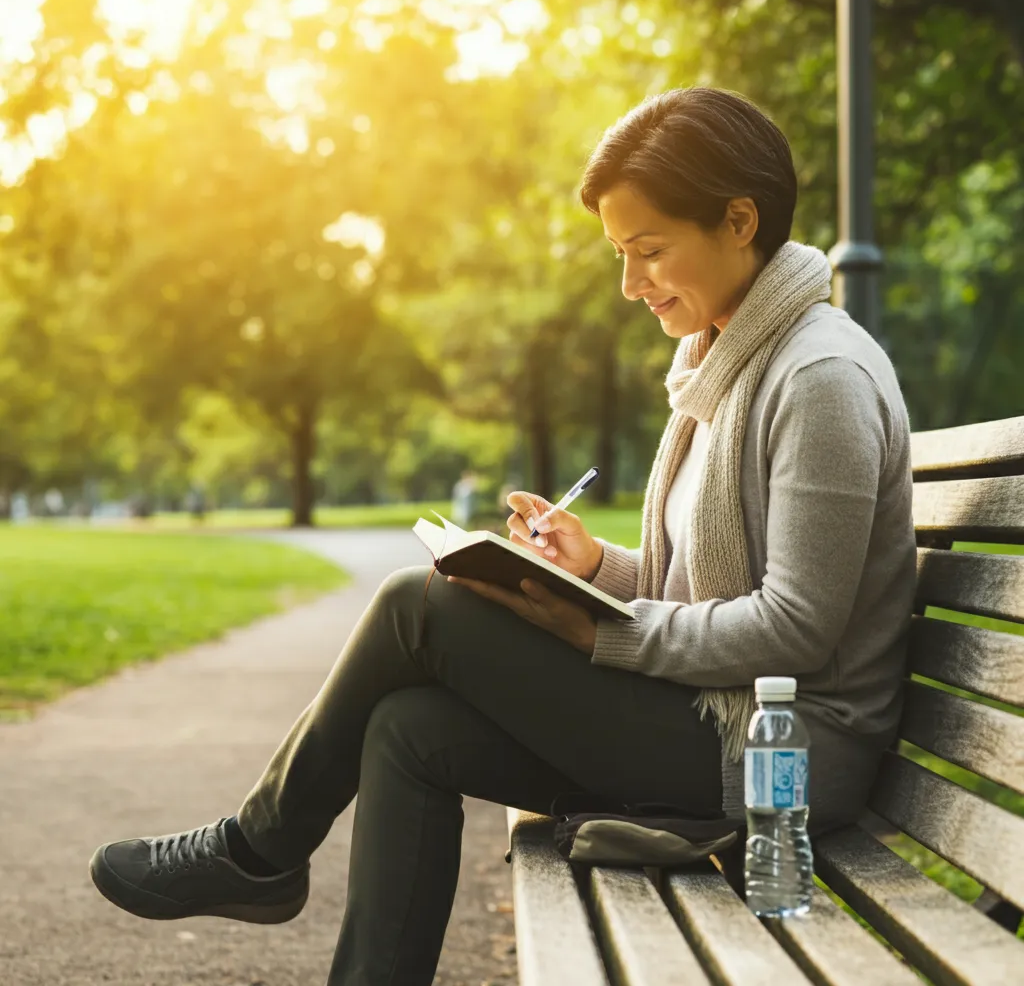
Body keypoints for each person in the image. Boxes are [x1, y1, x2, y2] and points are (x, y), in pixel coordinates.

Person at [88, 87, 916, 984]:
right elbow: (704, 589)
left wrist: (603, 629)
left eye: (648, 252)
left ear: (739, 219)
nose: (631, 285)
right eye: (621, 256)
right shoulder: (727, 367)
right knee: (408, 729)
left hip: (779, 761)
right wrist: (595, 566)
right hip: (717, 723)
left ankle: (258, 849)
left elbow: (797, 627)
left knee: (418, 604)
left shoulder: (819, 376)